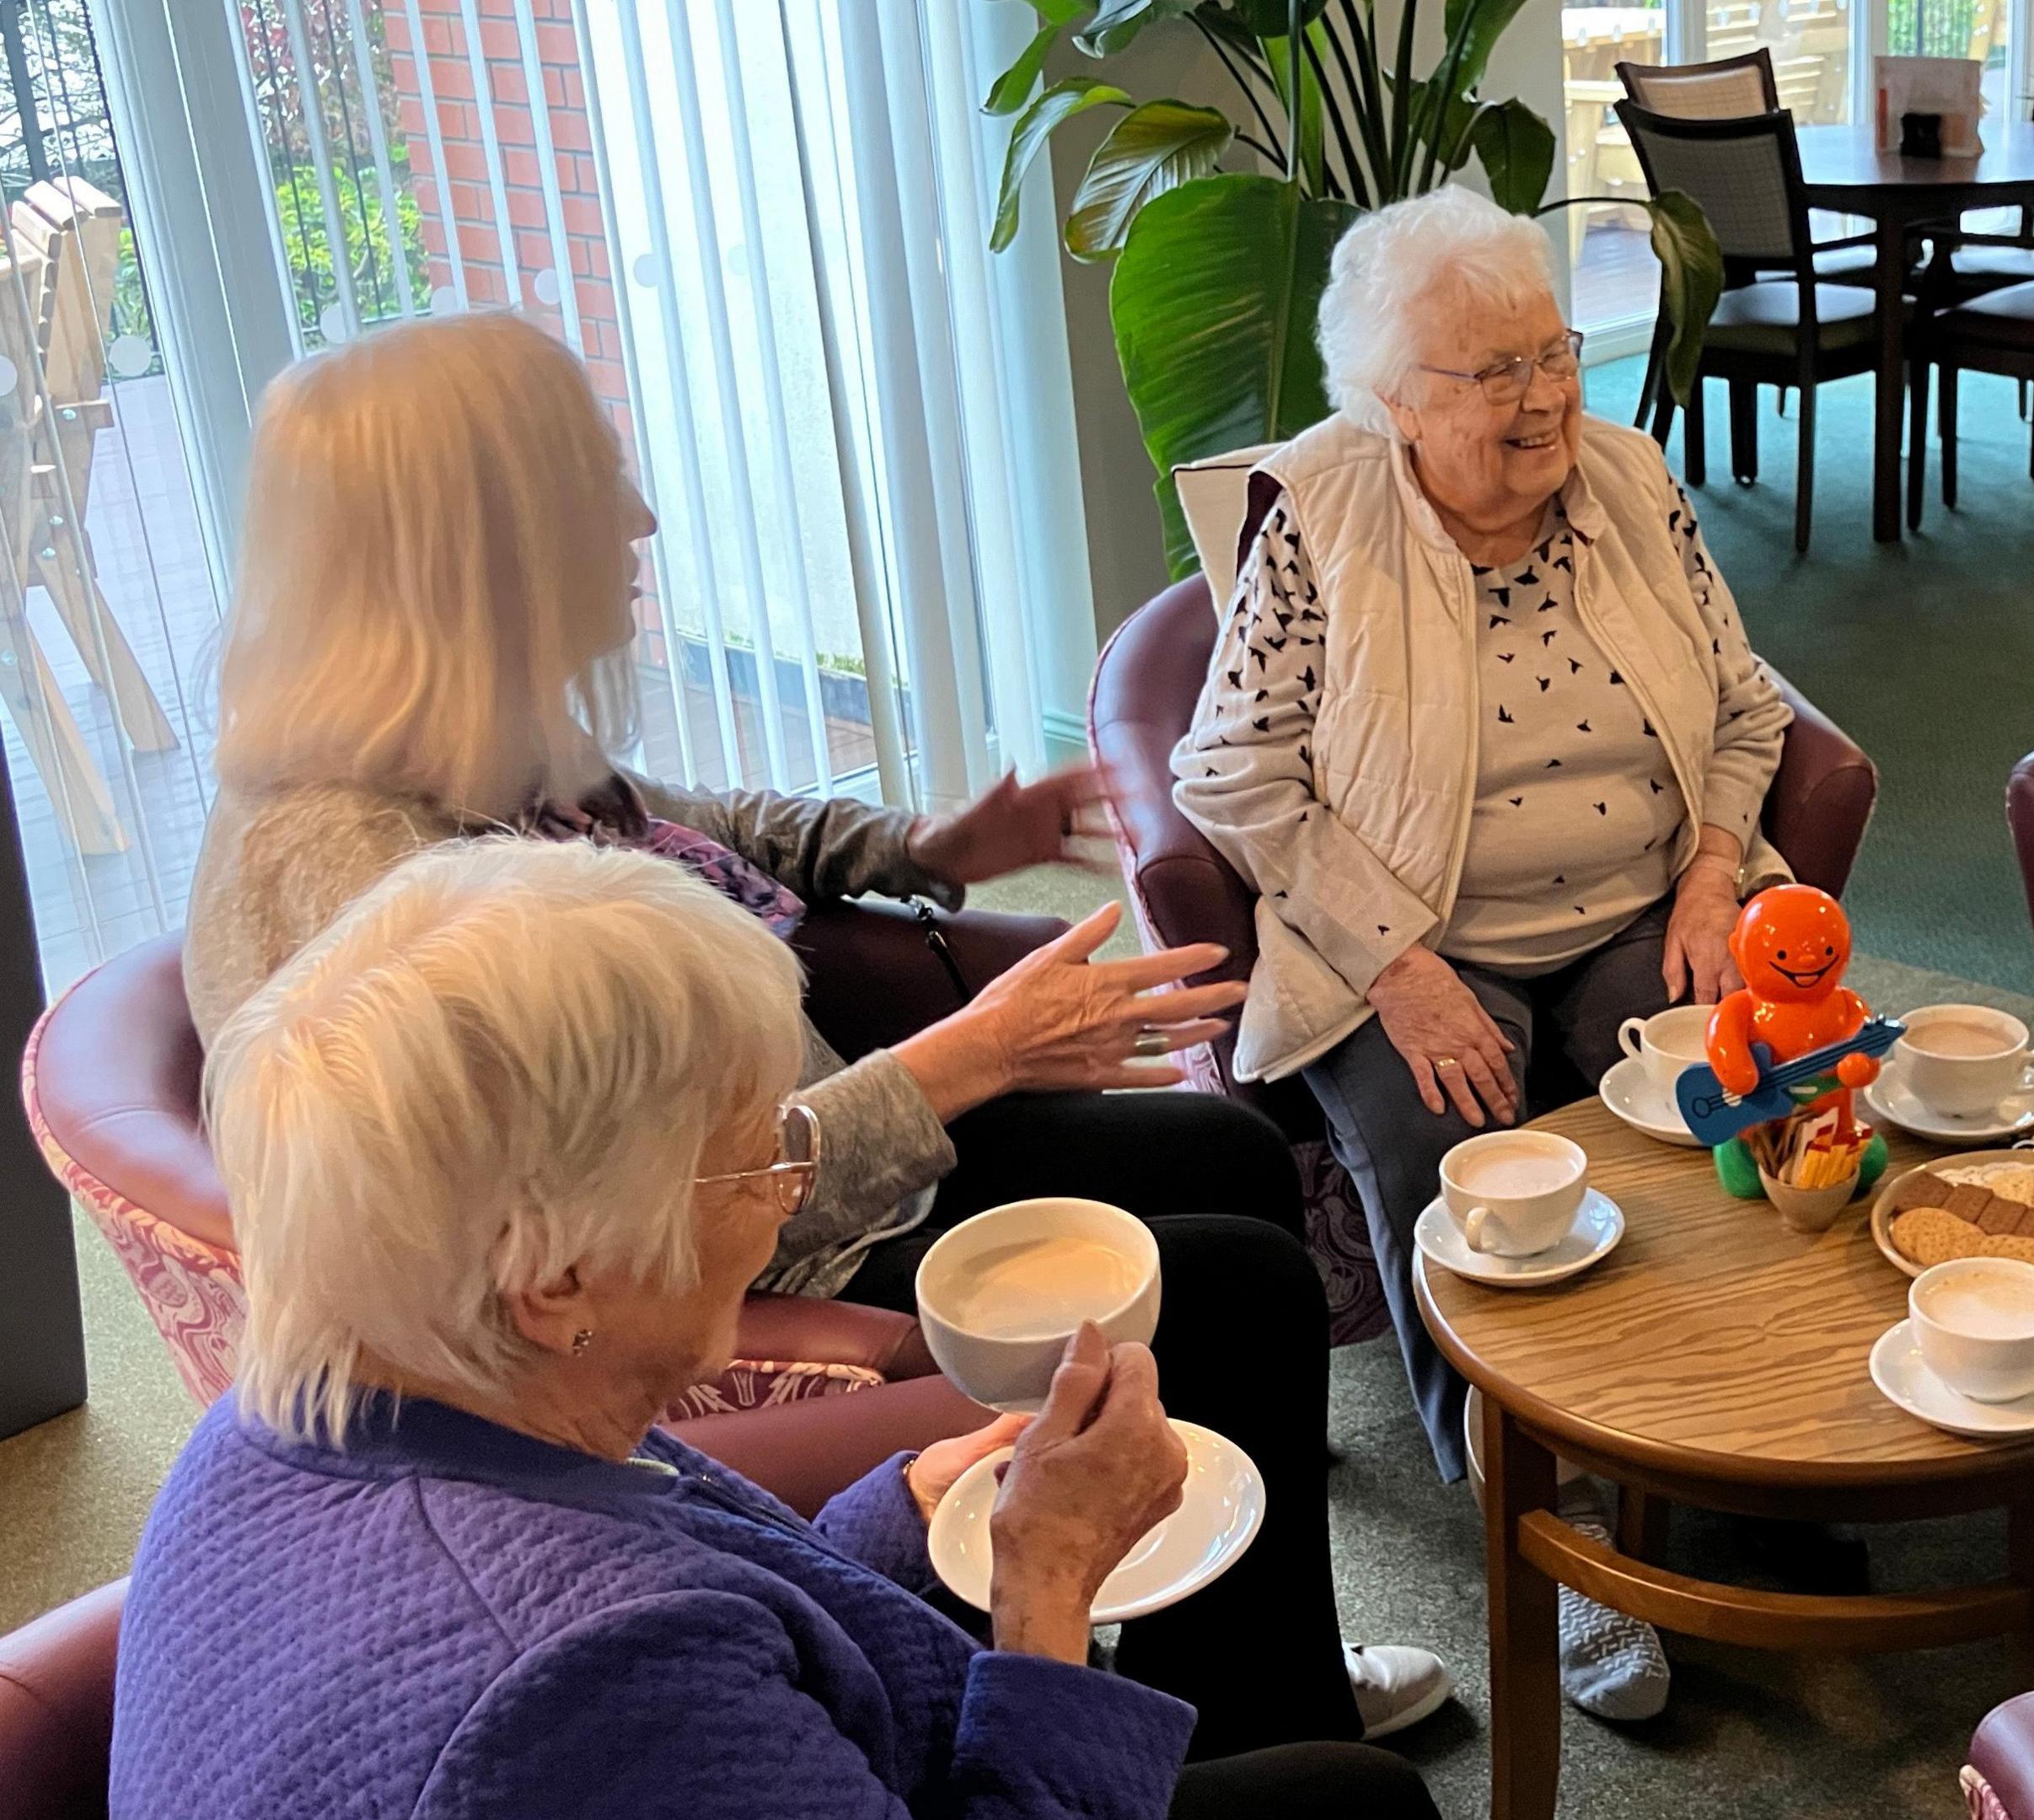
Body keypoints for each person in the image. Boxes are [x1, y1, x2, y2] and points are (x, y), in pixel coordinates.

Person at [176, 314, 1444, 1743]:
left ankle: (1239, 1609)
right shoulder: (360, 886)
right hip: (751, 1228)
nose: (642, 519)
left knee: (1222, 1153)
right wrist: (979, 1048)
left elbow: (677, 818)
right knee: (1232, 1283)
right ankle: (1256, 1717)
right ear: (494, 546)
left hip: (803, 1131)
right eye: (603, 485)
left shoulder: (449, 727)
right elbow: (642, 1222)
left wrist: (919, 843)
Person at [112, 840, 1446, 1819]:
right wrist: (1044, 1595)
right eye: (752, 1158)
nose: (782, 1197)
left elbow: (694, 1569)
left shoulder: (304, 1413)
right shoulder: (580, 1691)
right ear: (556, 1276)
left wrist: (923, 1493)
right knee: (1357, 1801)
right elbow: (646, 1651)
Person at [1171, 189, 1795, 1721]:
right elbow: (1231, 772)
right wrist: (1395, 962)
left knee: (1740, 1079)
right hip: (1409, 940)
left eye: (1553, 353)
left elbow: (1748, 706)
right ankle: (1552, 1526)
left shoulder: (1633, 482)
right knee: (1454, 1152)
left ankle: (1738, 1423)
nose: (1544, 399)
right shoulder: (1316, 516)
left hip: (1640, 902)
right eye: (1491, 373)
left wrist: (1715, 872)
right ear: (1394, 402)